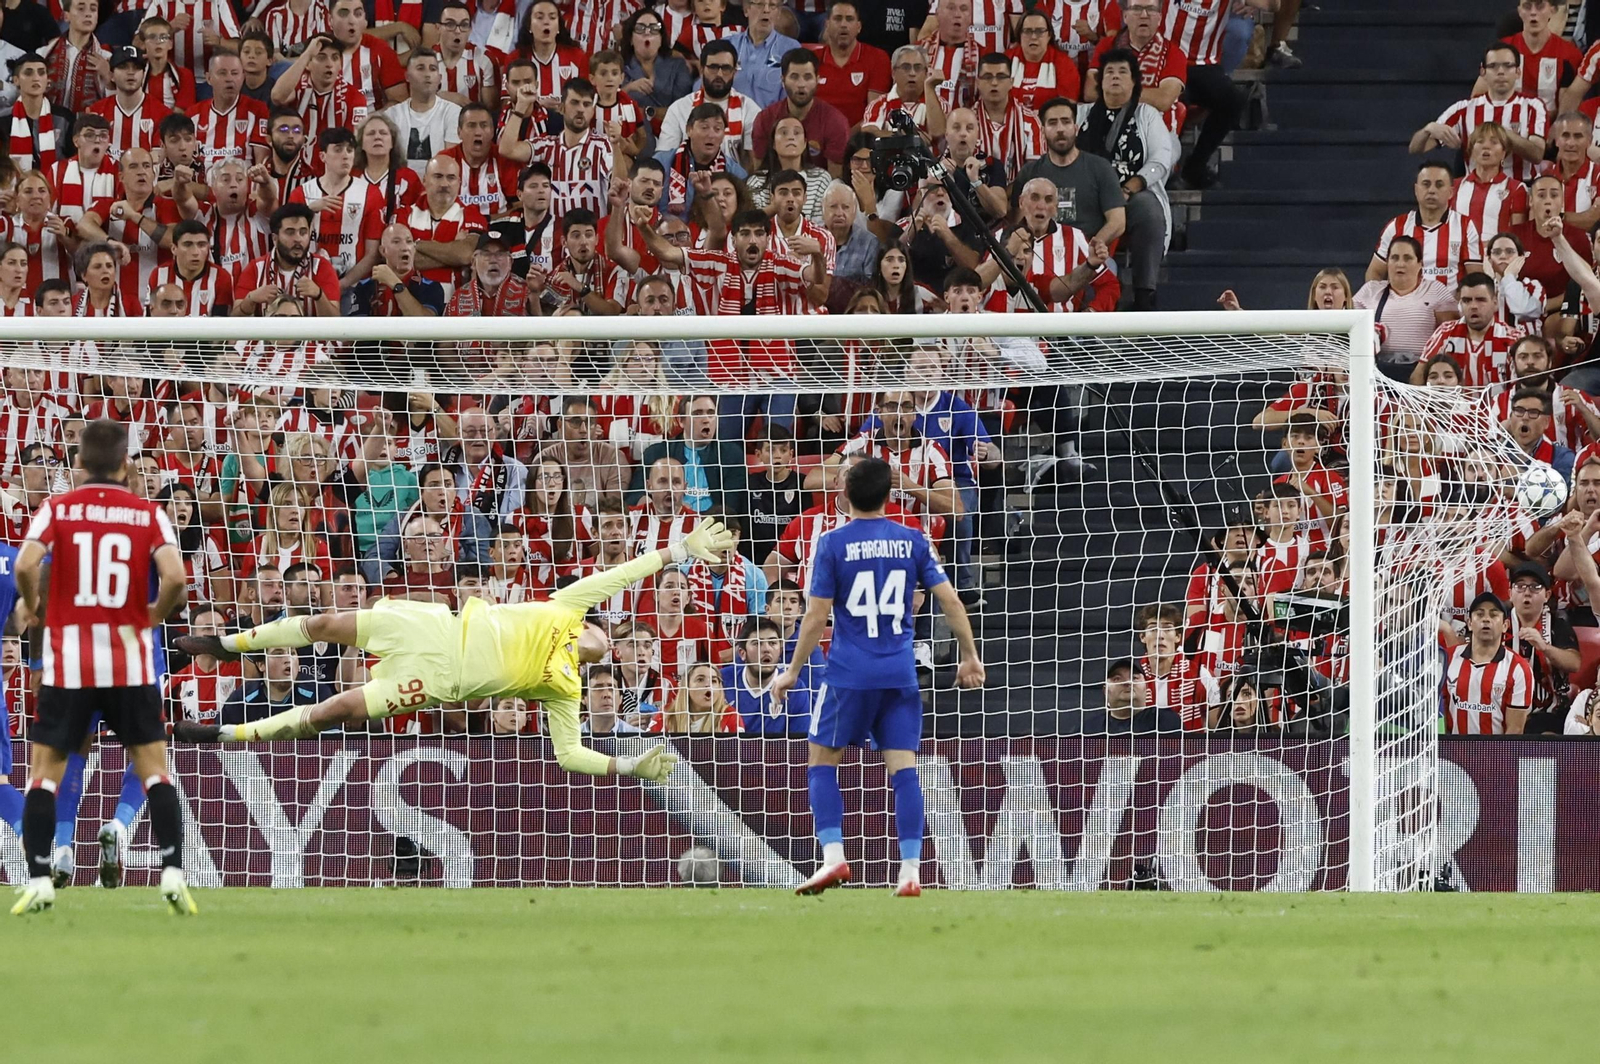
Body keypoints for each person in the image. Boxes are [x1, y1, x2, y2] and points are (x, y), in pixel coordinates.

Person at [172, 519, 740, 783]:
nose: (601, 640)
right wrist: (680, 550)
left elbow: (569, 755)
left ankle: (223, 736)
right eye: (603, 634)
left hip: (440, 684)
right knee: (324, 622)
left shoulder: (564, 688)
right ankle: (223, 643)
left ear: (600, 660)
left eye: (606, 647)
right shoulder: (570, 606)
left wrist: (627, 764)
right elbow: (624, 571)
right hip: (429, 628)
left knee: (333, 713)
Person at [770, 456, 983, 898]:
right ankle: (909, 871)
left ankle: (833, 857)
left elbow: (814, 615)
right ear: (891, 495)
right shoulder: (914, 540)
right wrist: (969, 656)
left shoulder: (831, 543)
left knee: (822, 761)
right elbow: (951, 602)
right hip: (900, 673)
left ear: (844, 494)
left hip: (849, 673)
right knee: (904, 769)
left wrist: (792, 670)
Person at [11, 419, 193, 916]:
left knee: (45, 773)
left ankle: (42, 877)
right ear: (124, 464)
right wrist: (152, 617)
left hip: (70, 664)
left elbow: (27, 565)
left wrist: (34, 606)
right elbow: (175, 576)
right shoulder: (147, 513)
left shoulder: (58, 508)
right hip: (130, 662)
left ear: (79, 464)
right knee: (154, 769)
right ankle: (173, 873)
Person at [1442, 592, 1533, 735]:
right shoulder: (1448, 658)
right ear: (1469, 623)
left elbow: (1515, 729)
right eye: (1479, 614)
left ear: (1505, 625)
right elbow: (1440, 715)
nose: (1486, 619)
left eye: (1493, 615)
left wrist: (1496, 757)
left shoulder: (1518, 668)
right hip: (1452, 753)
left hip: (1496, 755)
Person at [724, 615, 809, 734]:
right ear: (742, 653)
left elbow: (800, 745)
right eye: (757, 643)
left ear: (780, 650)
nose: (766, 649)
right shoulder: (722, 682)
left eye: (772, 643)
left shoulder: (795, 689)